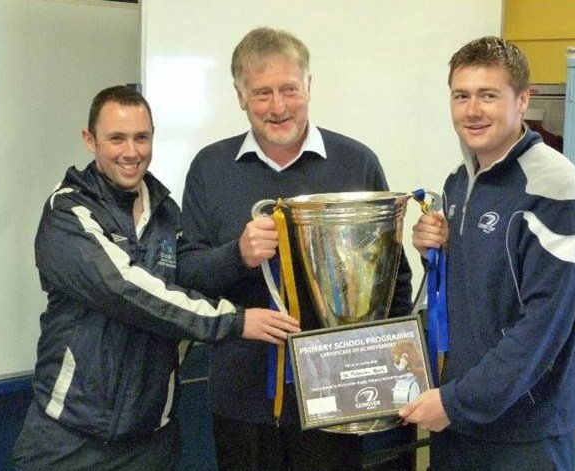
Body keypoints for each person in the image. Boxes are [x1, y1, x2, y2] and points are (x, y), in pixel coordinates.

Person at [12, 85, 299, 471]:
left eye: (141, 138)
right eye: (117, 138)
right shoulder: (68, 212)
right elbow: (125, 290)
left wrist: (239, 255)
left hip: (152, 439)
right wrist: (235, 321)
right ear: (89, 140)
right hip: (70, 439)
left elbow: (192, 277)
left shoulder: (166, 214)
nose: (131, 152)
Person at [177, 27, 415, 471]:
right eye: (261, 92)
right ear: (240, 96)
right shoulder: (209, 168)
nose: (278, 106)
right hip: (242, 397)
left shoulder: (356, 162)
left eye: (289, 88)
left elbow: (393, 277)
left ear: (309, 85)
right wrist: (238, 255)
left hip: (337, 394)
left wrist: (386, 371)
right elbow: (186, 275)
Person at [400, 36, 575, 470]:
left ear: (523, 99)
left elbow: (542, 326)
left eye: (489, 95)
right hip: (461, 421)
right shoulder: (458, 180)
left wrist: (456, 401)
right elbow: (479, 291)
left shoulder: (554, 187)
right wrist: (437, 251)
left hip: (525, 430)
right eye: (461, 96)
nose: (472, 110)